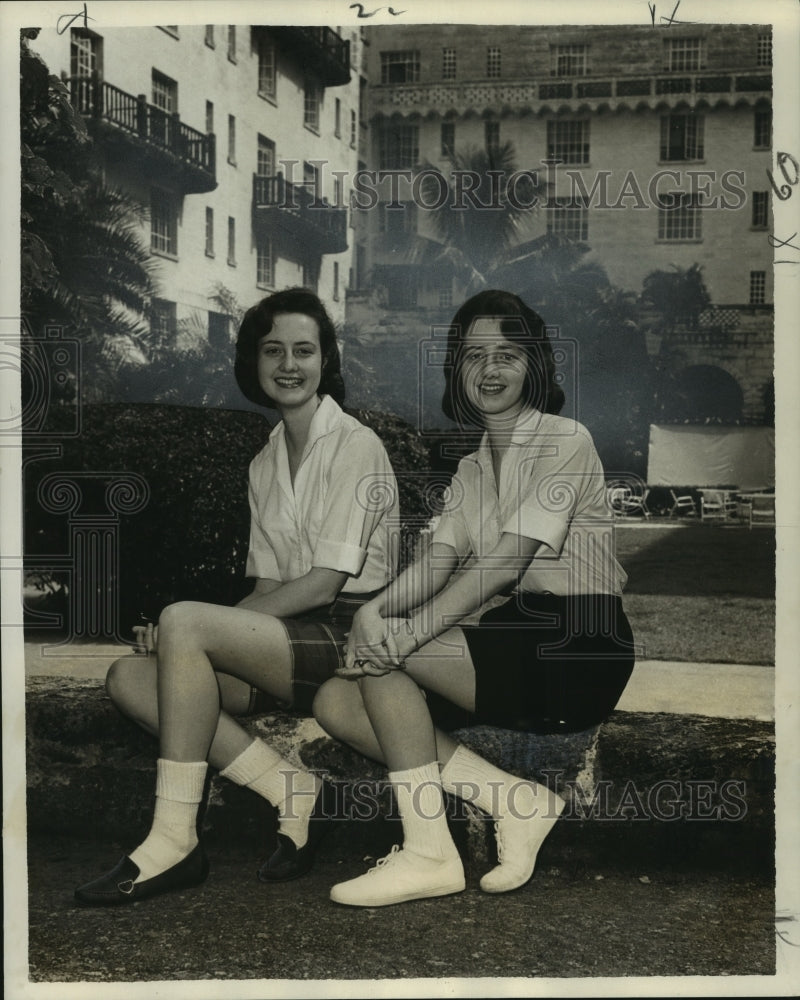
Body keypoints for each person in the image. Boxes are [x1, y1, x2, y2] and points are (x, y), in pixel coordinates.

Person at [75, 288, 398, 905]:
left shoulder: (355, 445)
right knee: (131, 678)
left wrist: (191, 627)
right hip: (293, 637)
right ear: (254, 363)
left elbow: (327, 582)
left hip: (353, 635)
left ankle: (173, 840)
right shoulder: (267, 460)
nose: (288, 364)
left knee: (181, 625)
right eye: (273, 350)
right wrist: (187, 639)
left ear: (326, 361)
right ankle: (290, 790)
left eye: (304, 350)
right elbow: (270, 587)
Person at [313, 289, 636, 907]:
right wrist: (375, 610)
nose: (489, 370)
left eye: (507, 355)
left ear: (534, 366)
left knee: (389, 658)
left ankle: (429, 853)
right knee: (335, 699)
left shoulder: (565, 440)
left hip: (580, 642)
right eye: (473, 356)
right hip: (518, 633)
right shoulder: (471, 468)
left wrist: (405, 635)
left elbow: (503, 562)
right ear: (457, 369)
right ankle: (514, 802)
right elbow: (436, 563)